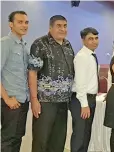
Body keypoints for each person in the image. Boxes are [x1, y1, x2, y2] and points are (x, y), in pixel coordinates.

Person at [28, 15, 75, 152]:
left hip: (63, 102)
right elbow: (32, 73)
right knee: (41, 140)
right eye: (59, 26)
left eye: (65, 26)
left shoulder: (67, 45)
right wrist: (34, 100)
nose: (62, 29)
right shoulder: (40, 44)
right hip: (45, 102)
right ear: (50, 27)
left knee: (58, 141)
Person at [1, 10, 29, 152]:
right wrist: (6, 99)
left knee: (18, 137)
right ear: (10, 25)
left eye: (26, 22)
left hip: (23, 100)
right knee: (8, 139)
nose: (24, 25)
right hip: (11, 101)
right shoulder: (5, 43)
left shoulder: (24, 45)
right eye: (20, 22)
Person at [70, 27, 100, 152]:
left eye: (96, 38)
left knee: (86, 134)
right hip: (81, 99)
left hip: (90, 99)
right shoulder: (82, 56)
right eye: (90, 39)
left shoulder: (91, 55)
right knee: (80, 136)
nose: (94, 41)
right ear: (83, 40)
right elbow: (80, 83)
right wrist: (84, 104)